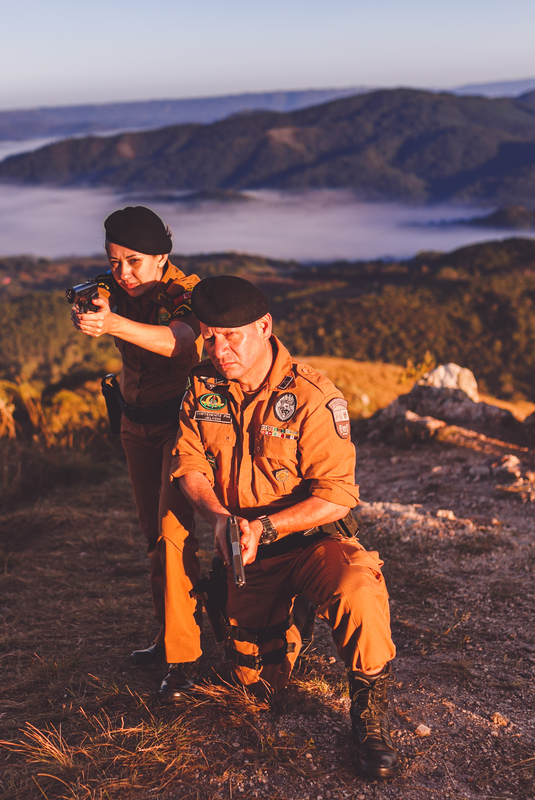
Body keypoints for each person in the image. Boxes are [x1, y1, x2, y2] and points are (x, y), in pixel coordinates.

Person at [170, 275, 400, 781]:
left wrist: (266, 527)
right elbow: (189, 463)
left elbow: (337, 494)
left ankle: (369, 715)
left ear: (265, 326)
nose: (219, 348)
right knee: (254, 686)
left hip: (312, 542)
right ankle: (284, 625)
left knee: (357, 588)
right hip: (246, 552)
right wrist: (220, 518)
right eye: (209, 335)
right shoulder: (202, 385)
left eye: (232, 336)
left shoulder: (313, 395)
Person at [72, 206, 203, 702]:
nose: (123, 273)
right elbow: (92, 299)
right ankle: (168, 633)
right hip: (134, 423)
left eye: (134, 262)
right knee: (154, 535)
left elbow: (181, 342)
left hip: (179, 428)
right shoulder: (114, 288)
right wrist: (87, 313)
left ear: (162, 256)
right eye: (114, 261)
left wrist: (113, 325)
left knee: (172, 534)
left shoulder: (185, 294)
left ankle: (183, 657)